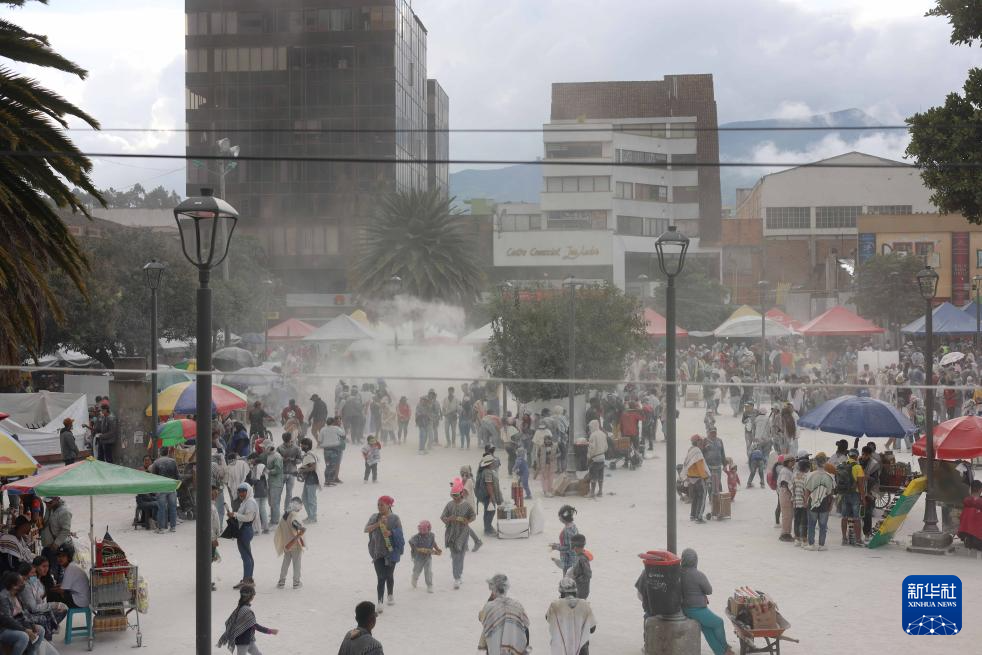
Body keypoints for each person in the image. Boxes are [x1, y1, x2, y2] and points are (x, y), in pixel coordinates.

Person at [679, 549, 735, 655]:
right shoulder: (698, 575)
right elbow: (709, 590)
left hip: (685, 608)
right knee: (719, 622)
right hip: (695, 609)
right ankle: (725, 648)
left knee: (707, 628)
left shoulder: (679, 573)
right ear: (695, 560)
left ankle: (720, 652)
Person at [364, 496, 403, 611]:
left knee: (389, 575)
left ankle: (390, 594)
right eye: (378, 505)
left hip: (391, 552)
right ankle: (380, 601)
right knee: (381, 577)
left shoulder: (395, 518)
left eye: (382, 505)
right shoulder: (374, 517)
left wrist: (391, 533)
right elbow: (366, 529)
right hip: (377, 552)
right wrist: (378, 524)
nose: (379, 507)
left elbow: (400, 533)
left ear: (389, 505)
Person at [217, 585, 278, 654]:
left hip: (249, 640)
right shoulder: (246, 610)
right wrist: (270, 631)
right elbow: (254, 625)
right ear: (250, 596)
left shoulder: (240, 608)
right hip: (243, 641)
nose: (254, 596)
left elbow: (231, 622)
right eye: (253, 595)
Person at [478, 574, 529, 654]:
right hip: (514, 649)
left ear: (493, 589)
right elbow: (526, 625)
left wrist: (491, 598)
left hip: (495, 649)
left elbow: (481, 617)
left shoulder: (489, 607)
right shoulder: (517, 605)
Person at [19, 559, 67, 642]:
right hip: (29, 613)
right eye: (32, 573)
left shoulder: (35, 580)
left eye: (35, 572)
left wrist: (53, 604)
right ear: (25, 576)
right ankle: (48, 638)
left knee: (61, 609)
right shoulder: (26, 586)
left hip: (37, 608)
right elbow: (33, 608)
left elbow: (39, 598)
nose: (35, 575)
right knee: (45, 617)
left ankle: (50, 632)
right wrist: (53, 605)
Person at [545, 577, 596, 655]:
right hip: (582, 650)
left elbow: (548, 618)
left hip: (561, 650)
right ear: (575, 591)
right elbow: (592, 629)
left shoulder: (555, 605)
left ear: (561, 593)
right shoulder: (585, 605)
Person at [441, 480, 475, 590]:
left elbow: (473, 516)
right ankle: (456, 577)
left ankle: (459, 574)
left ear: (461, 493)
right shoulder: (449, 505)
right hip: (451, 534)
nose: (454, 497)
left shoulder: (467, 505)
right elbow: (442, 517)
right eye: (453, 495)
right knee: (455, 557)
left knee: (461, 556)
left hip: (463, 534)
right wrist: (448, 519)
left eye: (456, 495)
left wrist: (467, 521)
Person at [227, 483, 259, 589]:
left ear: (248, 491)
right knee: (247, 556)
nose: (241, 493)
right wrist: (234, 515)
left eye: (243, 491)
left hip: (245, 530)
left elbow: (248, 518)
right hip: (244, 530)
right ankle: (248, 579)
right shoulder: (246, 501)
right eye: (239, 491)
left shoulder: (250, 502)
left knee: (246, 557)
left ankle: (247, 581)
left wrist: (235, 515)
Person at [0, 572, 45, 645]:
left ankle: (31, 651)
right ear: (14, 586)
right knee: (24, 636)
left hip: (19, 623)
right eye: (21, 582)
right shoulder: (3, 597)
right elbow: (7, 619)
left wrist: (32, 624)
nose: (24, 583)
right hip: (5, 627)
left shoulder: (17, 594)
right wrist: (24, 629)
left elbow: (25, 611)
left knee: (40, 630)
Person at [803, 452, 834, 550]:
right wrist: (831, 505)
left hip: (812, 503)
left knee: (811, 525)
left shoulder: (810, 475)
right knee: (823, 526)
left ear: (816, 462)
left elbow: (807, 491)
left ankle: (811, 544)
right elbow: (830, 494)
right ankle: (821, 545)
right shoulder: (829, 476)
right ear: (825, 462)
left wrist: (805, 502)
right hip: (824, 504)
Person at [836, 448, 866, 547]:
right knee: (856, 518)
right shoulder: (858, 467)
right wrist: (863, 498)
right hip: (855, 495)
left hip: (844, 493)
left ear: (849, 456)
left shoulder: (842, 465)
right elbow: (860, 485)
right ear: (856, 456)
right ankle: (858, 540)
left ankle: (844, 539)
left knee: (844, 517)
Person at [274, 497, 305, 590]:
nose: (301, 508)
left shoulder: (284, 515)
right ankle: (296, 582)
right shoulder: (293, 516)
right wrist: (301, 529)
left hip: (286, 545)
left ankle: (281, 582)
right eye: (300, 506)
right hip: (295, 545)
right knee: (296, 564)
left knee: (285, 563)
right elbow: (295, 524)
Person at [149, 447, 180, 534]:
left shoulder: (156, 462)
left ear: (160, 452)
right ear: (167, 452)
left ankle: (161, 528)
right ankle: (173, 527)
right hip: (171, 487)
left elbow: (153, 477)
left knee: (161, 508)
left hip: (161, 487)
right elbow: (177, 475)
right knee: (173, 507)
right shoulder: (173, 461)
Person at [475, 447, 503, 536]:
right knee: (491, 512)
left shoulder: (486, 471)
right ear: (489, 463)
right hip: (488, 496)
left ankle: (487, 527)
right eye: (492, 462)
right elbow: (489, 485)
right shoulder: (487, 472)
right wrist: (492, 497)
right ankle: (488, 529)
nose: (494, 463)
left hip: (486, 495)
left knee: (488, 511)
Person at [39, 498, 71, 574]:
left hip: (56, 548)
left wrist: (56, 544)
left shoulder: (64, 512)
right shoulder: (49, 508)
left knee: (54, 572)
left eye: (49, 502)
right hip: (47, 546)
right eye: (45, 502)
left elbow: (65, 530)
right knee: (46, 571)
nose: (47, 504)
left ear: (57, 499)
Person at [409, 520, 442, 593]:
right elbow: (411, 542)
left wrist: (437, 549)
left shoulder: (431, 535)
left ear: (429, 529)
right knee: (417, 570)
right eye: (421, 530)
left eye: (425, 530)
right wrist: (416, 549)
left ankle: (429, 585)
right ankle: (414, 578)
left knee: (428, 571)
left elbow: (433, 543)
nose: (423, 532)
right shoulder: (416, 537)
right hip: (418, 557)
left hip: (428, 557)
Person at [684, 435, 709, 524]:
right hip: (698, 478)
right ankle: (699, 517)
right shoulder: (697, 452)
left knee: (695, 498)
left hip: (691, 478)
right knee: (702, 498)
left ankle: (693, 515)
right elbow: (700, 466)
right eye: (700, 441)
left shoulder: (690, 450)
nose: (702, 443)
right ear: (697, 442)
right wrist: (705, 477)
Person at [459, 466, 483, 552]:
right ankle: (467, 545)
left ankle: (476, 542)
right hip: (467, 507)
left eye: (462, 473)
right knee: (463, 525)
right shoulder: (468, 481)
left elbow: (463, 494)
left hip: (468, 508)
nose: (462, 475)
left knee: (463, 525)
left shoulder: (469, 481)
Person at [277, 433, 302, 517]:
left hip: (285, 473)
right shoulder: (295, 448)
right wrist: (285, 460)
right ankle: (284, 511)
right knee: (287, 493)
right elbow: (300, 460)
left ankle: (283, 511)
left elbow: (299, 460)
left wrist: (293, 460)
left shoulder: (280, 448)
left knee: (285, 493)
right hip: (290, 472)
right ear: (291, 438)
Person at [245, 453, 269, 534]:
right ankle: (266, 528)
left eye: (251, 460)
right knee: (263, 510)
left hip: (257, 492)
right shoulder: (265, 468)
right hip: (265, 491)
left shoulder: (255, 468)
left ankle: (255, 530)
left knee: (255, 511)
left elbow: (253, 480)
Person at [550, 505, 579, 574]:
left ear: (564, 517)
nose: (559, 518)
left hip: (569, 561)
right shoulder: (573, 526)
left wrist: (556, 547)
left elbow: (569, 548)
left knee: (567, 578)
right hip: (573, 559)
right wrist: (557, 544)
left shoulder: (567, 531)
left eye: (559, 516)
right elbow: (567, 543)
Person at [318, 417, 345, 486]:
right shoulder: (336, 428)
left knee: (328, 465)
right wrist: (341, 425)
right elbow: (343, 434)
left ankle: (327, 480)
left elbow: (320, 439)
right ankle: (329, 480)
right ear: (333, 422)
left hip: (326, 449)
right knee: (333, 465)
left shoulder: (323, 429)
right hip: (334, 449)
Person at [298, 438, 319, 523]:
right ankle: (310, 515)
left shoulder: (309, 455)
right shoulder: (309, 454)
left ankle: (313, 517)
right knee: (305, 498)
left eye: (302, 445)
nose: (301, 446)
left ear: (306, 446)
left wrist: (302, 471)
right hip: (309, 479)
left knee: (311, 499)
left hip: (312, 479)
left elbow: (313, 467)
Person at [791, 453, 810, 546]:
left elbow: (792, 487)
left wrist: (793, 498)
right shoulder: (807, 477)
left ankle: (797, 539)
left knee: (797, 521)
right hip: (804, 502)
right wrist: (806, 501)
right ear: (806, 468)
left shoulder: (794, 475)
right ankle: (804, 540)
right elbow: (806, 490)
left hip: (796, 501)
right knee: (804, 521)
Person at [585, 420, 607, 499]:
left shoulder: (593, 435)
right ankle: (600, 491)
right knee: (600, 475)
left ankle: (592, 493)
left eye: (590, 427)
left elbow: (592, 448)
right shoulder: (603, 434)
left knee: (593, 476)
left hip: (595, 458)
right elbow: (606, 447)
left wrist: (589, 457)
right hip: (602, 457)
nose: (590, 429)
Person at [263, 444, 283, 527]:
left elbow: (278, 469)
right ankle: (273, 520)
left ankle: (275, 521)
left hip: (276, 483)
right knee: (271, 502)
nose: (263, 449)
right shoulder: (270, 455)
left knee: (275, 503)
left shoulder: (276, 456)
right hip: (271, 482)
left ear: (269, 448)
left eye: (264, 447)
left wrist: (268, 471)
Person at [567, 534, 591, 600]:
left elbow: (588, 575)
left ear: (575, 547)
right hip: (578, 590)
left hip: (580, 592)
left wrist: (576, 579)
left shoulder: (582, 559)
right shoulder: (579, 557)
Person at [777, 456, 795, 542]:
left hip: (786, 494)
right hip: (785, 494)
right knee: (787, 515)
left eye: (793, 461)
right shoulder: (785, 471)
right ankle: (785, 534)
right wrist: (792, 491)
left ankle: (787, 533)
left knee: (789, 515)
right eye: (791, 461)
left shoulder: (788, 470)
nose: (793, 462)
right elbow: (784, 483)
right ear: (787, 462)